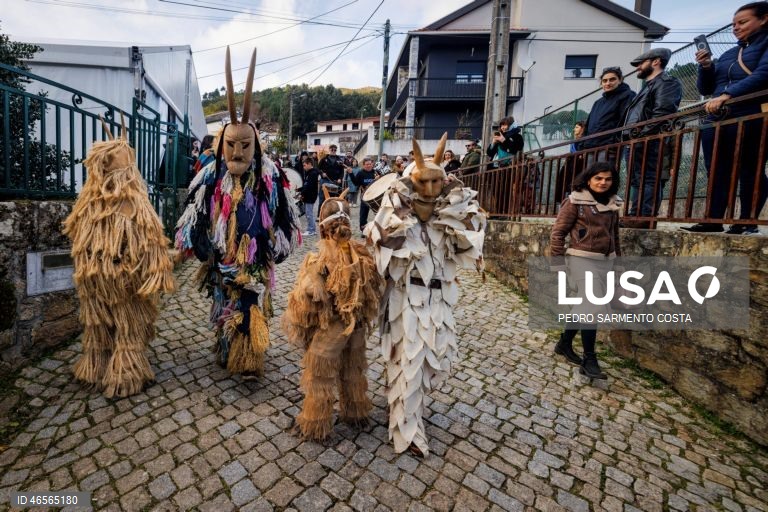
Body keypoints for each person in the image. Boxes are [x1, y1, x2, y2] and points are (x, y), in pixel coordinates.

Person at [175, 47, 301, 378]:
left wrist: (280, 245)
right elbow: (196, 213)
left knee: (248, 304)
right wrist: (202, 245)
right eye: (231, 144)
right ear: (221, 145)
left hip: (254, 257)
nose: (238, 151)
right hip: (222, 256)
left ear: (255, 145)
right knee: (222, 300)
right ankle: (225, 344)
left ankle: (248, 355)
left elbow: (284, 215)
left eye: (245, 145)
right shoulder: (210, 175)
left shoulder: (269, 175)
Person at [365, 133, 486, 456]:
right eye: (423, 184)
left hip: (439, 299)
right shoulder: (395, 215)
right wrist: (401, 212)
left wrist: (455, 210)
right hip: (406, 300)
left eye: (437, 184)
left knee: (426, 360)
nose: (430, 191)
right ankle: (408, 431)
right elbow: (379, 242)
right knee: (410, 359)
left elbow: (470, 240)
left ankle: (402, 409)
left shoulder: (449, 216)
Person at [63, 115, 175, 398]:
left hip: (98, 279)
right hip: (117, 279)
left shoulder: (89, 202)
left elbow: (77, 236)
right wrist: (156, 269)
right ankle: (117, 369)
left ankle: (106, 366)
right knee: (123, 326)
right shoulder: (133, 202)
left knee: (101, 324)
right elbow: (151, 240)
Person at [281, 189, 383, 441]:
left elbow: (308, 297)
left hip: (332, 331)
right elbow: (374, 289)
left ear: (323, 228)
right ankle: (355, 413)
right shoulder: (361, 254)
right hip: (356, 327)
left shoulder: (319, 259)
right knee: (353, 370)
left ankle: (315, 424)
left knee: (320, 376)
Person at [683, 2, 768, 234]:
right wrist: (706, 66)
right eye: (733, 24)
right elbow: (707, 87)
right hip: (718, 119)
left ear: (763, 19)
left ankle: (746, 221)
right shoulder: (731, 53)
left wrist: (728, 95)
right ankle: (713, 219)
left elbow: (763, 75)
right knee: (716, 170)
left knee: (750, 169)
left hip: (751, 115)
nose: (736, 28)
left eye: (742, 22)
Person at [550, 162, 622, 380]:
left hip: (605, 260)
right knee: (593, 304)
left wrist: (618, 262)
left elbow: (615, 235)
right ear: (589, 179)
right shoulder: (575, 201)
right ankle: (590, 359)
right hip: (580, 258)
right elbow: (557, 233)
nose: (603, 183)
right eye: (598, 178)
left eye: (608, 179)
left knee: (584, 305)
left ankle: (564, 343)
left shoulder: (613, 204)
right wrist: (558, 264)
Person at [622, 48, 682, 227]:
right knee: (636, 180)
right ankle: (635, 216)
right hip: (636, 141)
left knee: (649, 179)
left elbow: (662, 114)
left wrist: (641, 135)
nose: (638, 67)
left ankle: (644, 218)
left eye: (641, 63)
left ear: (656, 61)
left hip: (649, 142)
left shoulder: (667, 82)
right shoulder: (648, 86)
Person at [581, 67, 636, 163]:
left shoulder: (627, 96)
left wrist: (614, 144)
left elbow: (626, 121)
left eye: (612, 79)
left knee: (605, 176)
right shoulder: (598, 102)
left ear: (620, 80)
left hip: (608, 148)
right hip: (590, 147)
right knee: (591, 176)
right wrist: (582, 146)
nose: (608, 83)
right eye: (604, 80)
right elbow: (588, 125)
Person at [347, 156, 377, 233]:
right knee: (363, 215)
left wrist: (379, 178)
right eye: (367, 164)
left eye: (370, 164)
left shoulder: (375, 172)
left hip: (375, 196)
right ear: (363, 165)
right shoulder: (361, 173)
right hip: (365, 197)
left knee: (378, 214)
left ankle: (378, 230)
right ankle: (364, 230)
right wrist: (351, 174)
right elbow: (356, 183)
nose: (369, 165)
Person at [317, 144, 346, 214]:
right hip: (324, 180)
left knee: (333, 199)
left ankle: (331, 213)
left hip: (335, 182)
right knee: (322, 198)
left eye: (335, 150)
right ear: (329, 150)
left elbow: (342, 171)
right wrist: (322, 174)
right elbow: (318, 169)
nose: (333, 151)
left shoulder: (340, 160)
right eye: (332, 149)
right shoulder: (324, 159)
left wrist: (340, 178)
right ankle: (320, 214)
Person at [300, 157, 320, 236]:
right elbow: (306, 185)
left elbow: (309, 186)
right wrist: (299, 190)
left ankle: (311, 230)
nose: (303, 167)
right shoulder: (310, 173)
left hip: (310, 196)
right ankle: (310, 229)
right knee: (308, 213)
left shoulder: (313, 173)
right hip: (308, 196)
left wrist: (302, 193)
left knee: (309, 214)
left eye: (304, 165)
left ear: (309, 164)